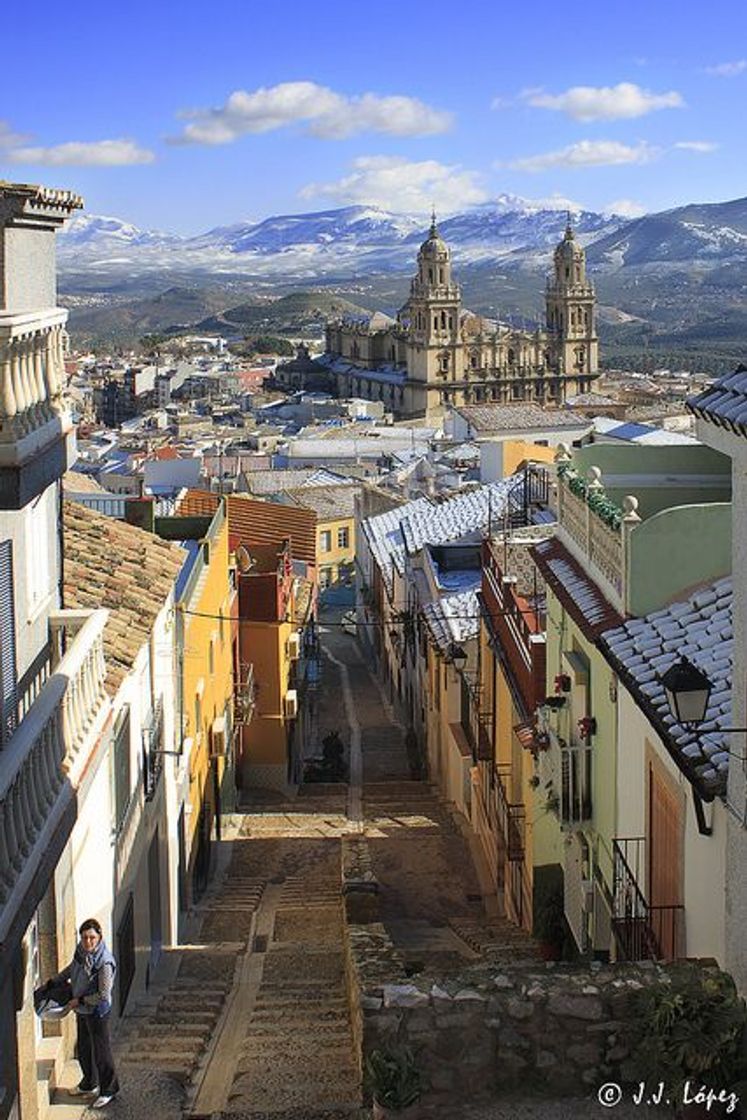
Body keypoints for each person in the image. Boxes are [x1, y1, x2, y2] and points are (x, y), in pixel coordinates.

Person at [48, 918, 120, 1109]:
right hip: (81, 1009)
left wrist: (79, 1001)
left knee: (101, 1053)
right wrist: (54, 981)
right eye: (85, 937)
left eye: (92, 938)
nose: (88, 942)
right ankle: (89, 1084)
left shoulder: (104, 962)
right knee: (84, 1049)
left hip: (97, 1012)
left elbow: (103, 994)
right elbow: (72, 969)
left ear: (99, 937)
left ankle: (109, 1090)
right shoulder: (81, 951)